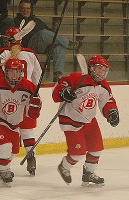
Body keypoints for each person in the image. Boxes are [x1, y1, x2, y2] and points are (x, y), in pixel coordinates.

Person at [52, 55, 119, 186]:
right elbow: (59, 87)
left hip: (89, 119)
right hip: (71, 119)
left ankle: (89, 174)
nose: (101, 73)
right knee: (78, 152)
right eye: (99, 69)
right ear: (91, 68)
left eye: (104, 70)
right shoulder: (77, 78)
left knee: (97, 147)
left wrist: (112, 112)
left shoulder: (103, 85)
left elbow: (108, 101)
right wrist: (64, 92)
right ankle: (64, 167)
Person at [0, 58, 42, 185]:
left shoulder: (29, 86)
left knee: (13, 150)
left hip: (14, 123)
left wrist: (35, 105)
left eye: (16, 72)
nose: (13, 75)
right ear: (5, 72)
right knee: (4, 146)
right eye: (10, 72)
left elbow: (33, 114)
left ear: (21, 73)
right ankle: (4, 170)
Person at [0, 27, 42, 176]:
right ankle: (31, 157)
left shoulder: (2, 53)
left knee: (9, 131)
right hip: (27, 94)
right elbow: (37, 75)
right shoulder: (30, 53)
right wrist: (34, 92)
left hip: (8, 96)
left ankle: (2, 164)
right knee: (27, 130)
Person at [14, 0, 81, 82]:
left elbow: (50, 33)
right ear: (19, 9)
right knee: (43, 33)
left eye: (28, 8)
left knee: (59, 46)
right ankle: (68, 43)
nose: (26, 10)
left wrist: (54, 31)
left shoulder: (36, 20)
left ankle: (58, 75)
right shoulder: (16, 21)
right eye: (23, 8)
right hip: (29, 45)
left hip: (43, 45)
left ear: (31, 9)